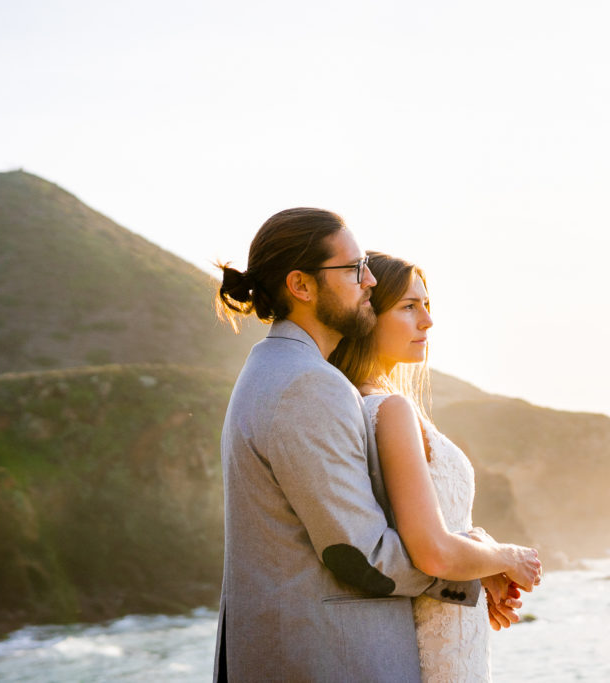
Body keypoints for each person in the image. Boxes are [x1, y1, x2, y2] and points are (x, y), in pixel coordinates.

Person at [212, 208, 500, 682]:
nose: (368, 280)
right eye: (352, 269)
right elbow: (361, 556)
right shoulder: (307, 385)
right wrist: (481, 560)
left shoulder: (277, 370)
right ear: (301, 286)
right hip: (331, 660)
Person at [330, 251, 542, 682]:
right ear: (367, 314)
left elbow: (410, 533)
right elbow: (430, 551)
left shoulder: (365, 404)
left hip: (446, 622)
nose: (427, 321)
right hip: (434, 641)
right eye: (409, 307)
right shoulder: (389, 410)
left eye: (427, 306)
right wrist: (508, 556)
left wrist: (479, 564)